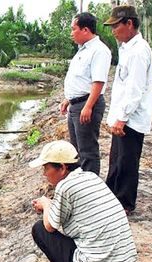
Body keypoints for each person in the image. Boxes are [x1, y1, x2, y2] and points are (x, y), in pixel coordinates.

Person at [30, 140, 137, 262]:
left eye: (46, 168)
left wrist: (46, 204)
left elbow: (50, 226)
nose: (44, 174)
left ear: (62, 167)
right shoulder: (91, 177)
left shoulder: (65, 186)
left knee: (39, 229)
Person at [103, 5, 152, 213]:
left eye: (116, 25)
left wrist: (122, 117)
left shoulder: (139, 51)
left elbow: (135, 88)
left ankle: (125, 203)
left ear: (129, 24)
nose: (113, 31)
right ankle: (113, 197)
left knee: (127, 161)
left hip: (131, 117)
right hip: (123, 115)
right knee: (116, 159)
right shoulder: (127, 49)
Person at [59, 12, 112, 175]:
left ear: (85, 30)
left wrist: (88, 106)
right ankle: (79, 187)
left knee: (87, 151)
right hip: (77, 105)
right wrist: (68, 99)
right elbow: (81, 80)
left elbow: (98, 81)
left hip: (87, 104)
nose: (71, 33)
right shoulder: (82, 50)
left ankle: (91, 188)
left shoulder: (99, 51)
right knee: (76, 151)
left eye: (73, 29)